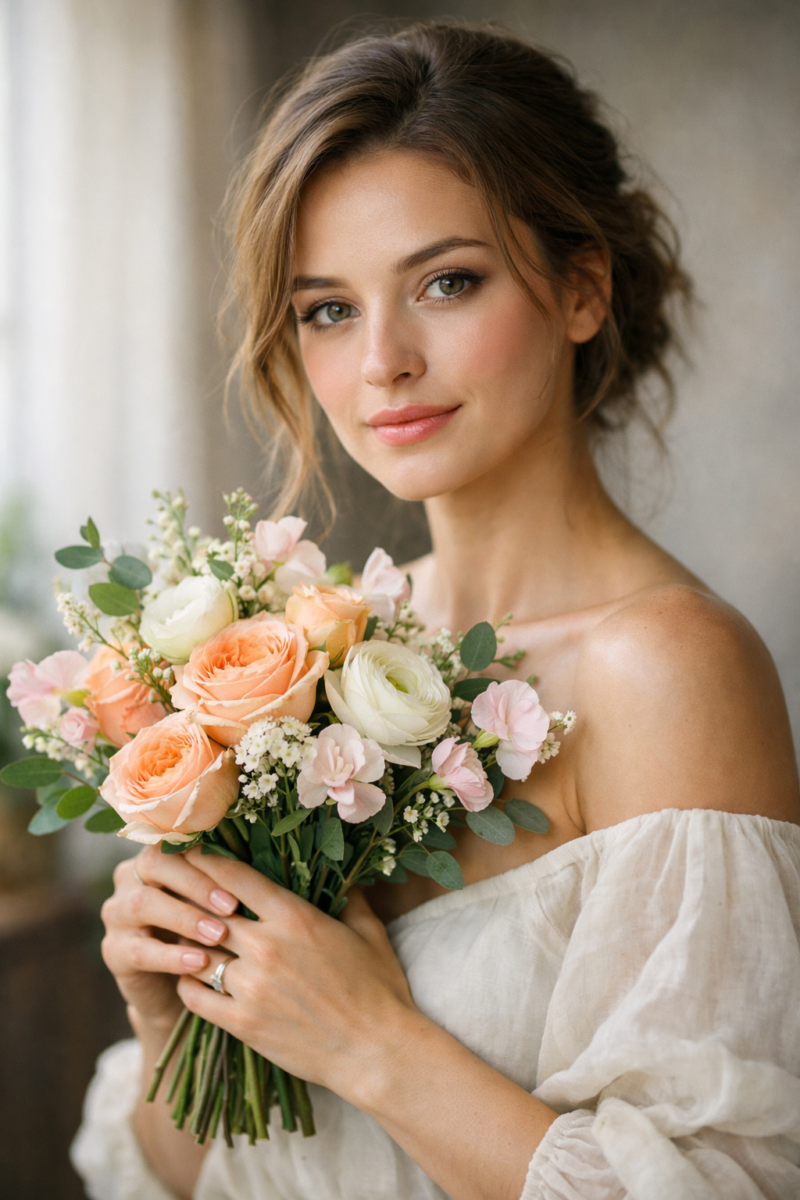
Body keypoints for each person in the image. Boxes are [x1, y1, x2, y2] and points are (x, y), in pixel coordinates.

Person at [72, 21, 800, 1200]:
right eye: (327, 310)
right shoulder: (303, 647)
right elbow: (208, 1172)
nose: (382, 363)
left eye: (444, 283)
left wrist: (368, 1041)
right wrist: (179, 1028)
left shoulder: (667, 670)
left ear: (578, 288)